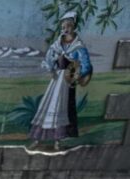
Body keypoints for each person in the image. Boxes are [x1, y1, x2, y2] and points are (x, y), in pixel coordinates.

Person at [29, 11, 92, 151]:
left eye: (68, 25)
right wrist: (52, 68)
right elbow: (49, 58)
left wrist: (76, 73)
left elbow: (86, 65)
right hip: (56, 80)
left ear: (74, 26)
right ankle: (37, 139)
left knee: (60, 109)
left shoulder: (78, 46)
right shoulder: (58, 43)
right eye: (63, 26)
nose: (65, 28)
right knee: (48, 107)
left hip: (67, 82)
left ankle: (58, 141)